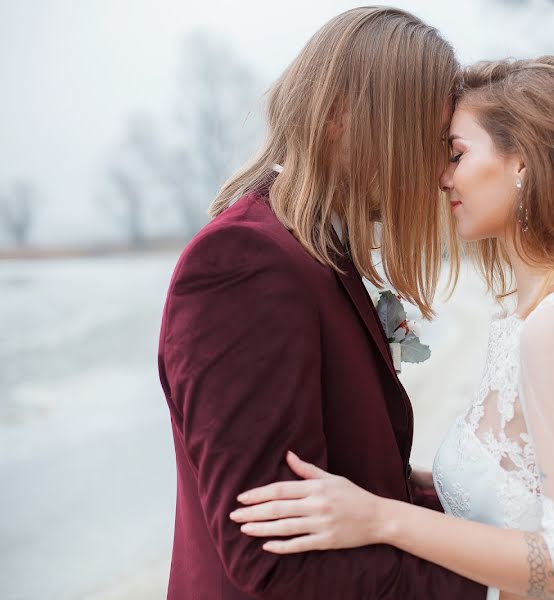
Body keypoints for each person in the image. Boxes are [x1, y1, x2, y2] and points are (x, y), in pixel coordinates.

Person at [230, 56, 554, 600]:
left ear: (523, 163)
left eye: (456, 154)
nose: (441, 177)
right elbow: (524, 486)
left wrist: (379, 518)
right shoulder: (535, 312)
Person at [157, 7, 487, 598]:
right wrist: (491, 585)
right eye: (427, 140)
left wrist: (507, 538)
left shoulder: (310, 252)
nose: (441, 174)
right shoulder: (243, 264)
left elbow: (357, 484)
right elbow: (273, 558)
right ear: (341, 117)